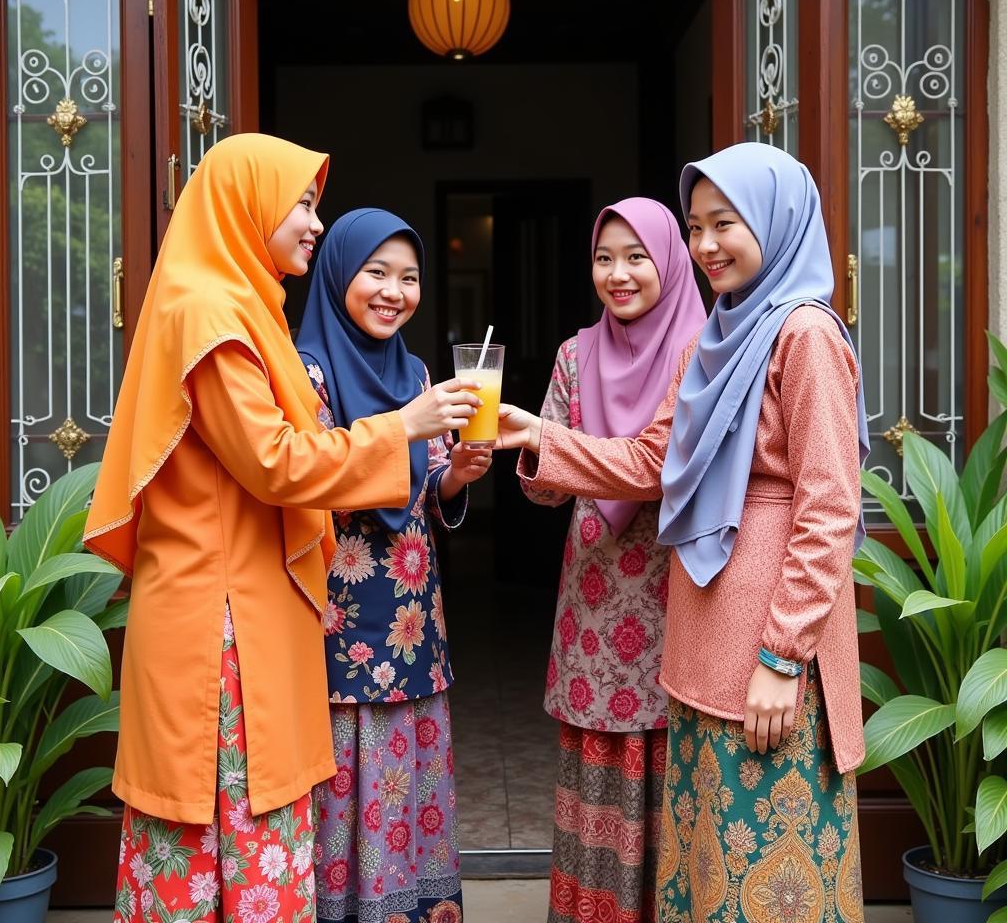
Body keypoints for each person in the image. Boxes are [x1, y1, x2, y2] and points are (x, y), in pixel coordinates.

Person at [84, 136, 480, 923]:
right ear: (246, 204)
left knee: (243, 830)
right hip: (219, 622)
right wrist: (401, 428)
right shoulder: (212, 316)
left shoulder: (242, 304)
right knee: (223, 830)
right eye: (300, 203)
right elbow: (273, 462)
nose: (313, 222)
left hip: (243, 603)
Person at [499, 143, 869, 923]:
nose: (704, 246)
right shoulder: (716, 337)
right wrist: (537, 433)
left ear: (776, 220)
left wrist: (783, 651)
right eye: (695, 227)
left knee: (772, 872)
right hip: (699, 641)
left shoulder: (804, 335)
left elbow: (831, 506)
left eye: (724, 224)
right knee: (708, 867)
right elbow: (647, 461)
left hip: (768, 646)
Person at [296, 208, 490, 923]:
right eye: (376, 272)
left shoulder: (416, 372)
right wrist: (403, 428)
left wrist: (457, 476)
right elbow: (307, 480)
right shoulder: (303, 371)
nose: (393, 291)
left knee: (406, 778)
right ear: (340, 273)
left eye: (409, 278)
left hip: (413, 621)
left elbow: (423, 489)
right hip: (338, 621)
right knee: (349, 780)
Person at [518, 198, 704, 923]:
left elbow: (662, 468)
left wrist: (546, 440)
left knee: (671, 769)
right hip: (595, 599)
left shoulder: (705, 350)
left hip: (675, 591)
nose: (618, 274)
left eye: (636, 257)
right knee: (598, 767)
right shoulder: (575, 354)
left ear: (670, 260)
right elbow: (545, 491)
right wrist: (521, 454)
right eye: (603, 258)